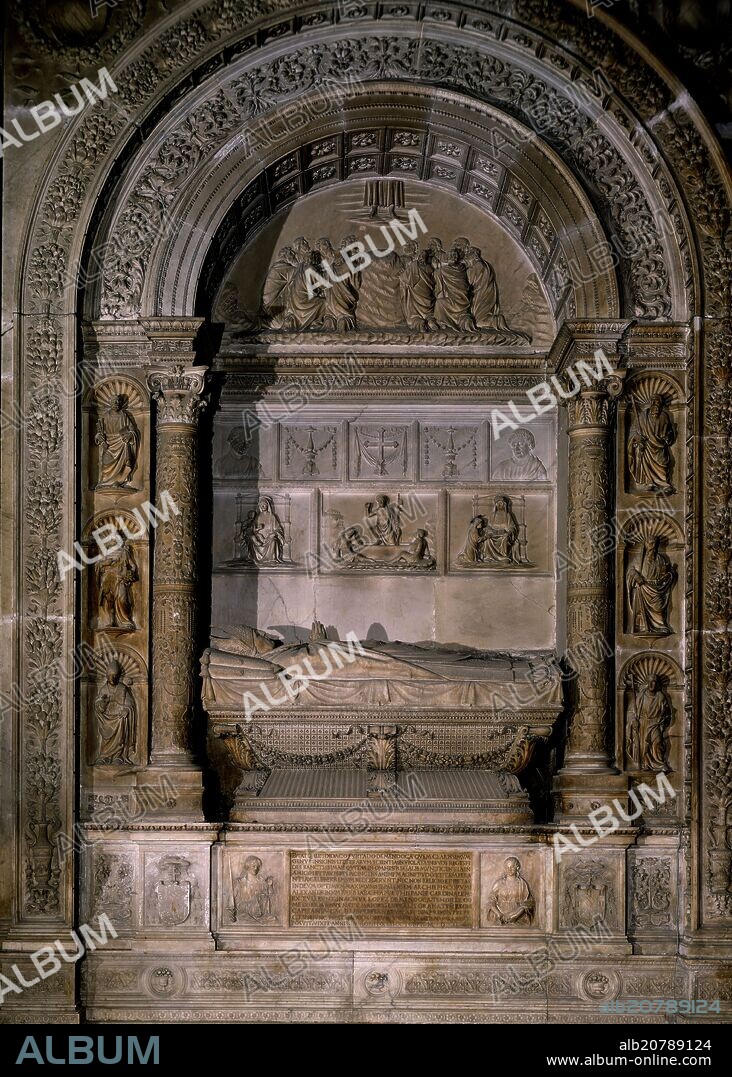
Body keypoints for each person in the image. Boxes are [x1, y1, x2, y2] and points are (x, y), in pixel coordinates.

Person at [628, 536, 676, 635]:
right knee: (641, 610)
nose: (652, 546)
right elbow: (631, 571)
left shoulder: (660, 559)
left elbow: (664, 573)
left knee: (658, 607)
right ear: (645, 545)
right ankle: (643, 627)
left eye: (654, 543)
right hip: (643, 587)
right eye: (649, 543)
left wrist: (668, 575)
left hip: (656, 588)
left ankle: (660, 625)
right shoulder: (639, 559)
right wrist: (637, 577)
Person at [629, 395, 676, 494]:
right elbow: (633, 432)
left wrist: (668, 437)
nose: (655, 405)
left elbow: (670, 432)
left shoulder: (664, 416)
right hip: (645, 447)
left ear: (661, 405)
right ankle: (645, 482)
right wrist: (638, 439)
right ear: (650, 404)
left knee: (662, 462)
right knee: (639, 454)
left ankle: (663, 484)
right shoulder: (642, 416)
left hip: (659, 446)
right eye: (653, 402)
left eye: (657, 402)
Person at [94, 660, 136, 765]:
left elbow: (130, 703)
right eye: (110, 675)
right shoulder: (104, 689)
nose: (112, 678)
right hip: (106, 719)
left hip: (119, 717)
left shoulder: (122, 688)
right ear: (107, 676)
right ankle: (104, 756)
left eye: (115, 675)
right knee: (106, 737)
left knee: (122, 722)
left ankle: (119, 756)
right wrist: (102, 704)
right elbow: (98, 705)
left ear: (118, 676)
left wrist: (126, 709)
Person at [628, 673, 673, 771]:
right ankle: (646, 764)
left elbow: (667, 713)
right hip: (643, 723)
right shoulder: (641, 696)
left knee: (657, 743)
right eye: (650, 682)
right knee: (644, 746)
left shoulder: (660, 696)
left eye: (654, 682)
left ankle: (659, 764)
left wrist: (663, 718)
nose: (652, 684)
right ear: (647, 683)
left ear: (657, 684)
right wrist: (634, 721)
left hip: (655, 724)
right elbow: (632, 712)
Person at [95, 394, 140, 487]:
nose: (116, 403)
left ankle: (120, 481)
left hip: (122, 443)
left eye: (118, 401)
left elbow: (132, 430)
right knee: (105, 462)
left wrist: (129, 435)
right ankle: (105, 482)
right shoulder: (105, 416)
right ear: (110, 403)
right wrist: (100, 438)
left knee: (126, 462)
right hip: (109, 444)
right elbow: (99, 432)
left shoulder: (124, 415)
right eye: (114, 401)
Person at [96, 532, 138, 629]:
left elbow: (132, 565)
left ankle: (125, 621)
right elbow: (98, 565)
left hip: (120, 579)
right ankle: (109, 621)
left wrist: (130, 573)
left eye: (117, 539)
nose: (114, 541)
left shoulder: (124, 552)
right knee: (108, 601)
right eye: (112, 539)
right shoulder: (106, 552)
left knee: (122, 600)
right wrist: (104, 563)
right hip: (107, 579)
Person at [486, 857, 534, 925]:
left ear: (517, 867)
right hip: (500, 918)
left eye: (512, 867)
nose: (509, 869)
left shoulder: (522, 884)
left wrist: (515, 915)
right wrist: (499, 914)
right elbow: (491, 901)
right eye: (507, 867)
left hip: (518, 918)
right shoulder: (499, 883)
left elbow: (527, 903)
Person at [233, 856, 276, 923]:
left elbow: (269, 898)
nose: (256, 868)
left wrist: (270, 886)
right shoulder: (240, 882)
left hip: (260, 914)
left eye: (258, 866)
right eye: (253, 866)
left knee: (273, 919)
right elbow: (234, 902)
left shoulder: (262, 881)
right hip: (245, 915)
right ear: (248, 866)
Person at [481, 495, 520, 563]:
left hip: (504, 535)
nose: (499, 505)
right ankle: (489, 557)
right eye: (498, 503)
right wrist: (490, 531)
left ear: (504, 504)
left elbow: (512, 527)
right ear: (495, 505)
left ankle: (503, 557)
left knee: (505, 539)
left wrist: (508, 533)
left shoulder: (508, 515)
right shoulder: (492, 515)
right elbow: (489, 526)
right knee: (488, 540)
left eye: (501, 503)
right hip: (493, 535)